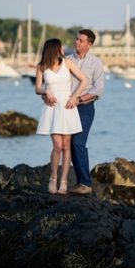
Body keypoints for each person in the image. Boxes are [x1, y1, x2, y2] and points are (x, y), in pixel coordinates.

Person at [40, 28, 105, 195]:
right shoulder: (65, 60)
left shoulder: (95, 63)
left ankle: (85, 183)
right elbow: (52, 84)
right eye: (76, 39)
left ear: (89, 44)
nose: (76, 42)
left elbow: (99, 90)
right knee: (63, 145)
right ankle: (72, 181)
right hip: (64, 108)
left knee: (77, 143)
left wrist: (79, 99)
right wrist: (46, 96)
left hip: (84, 107)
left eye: (80, 40)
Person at [35, 38, 89, 195]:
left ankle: (64, 181)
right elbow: (37, 88)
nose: (64, 50)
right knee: (57, 146)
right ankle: (53, 178)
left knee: (67, 146)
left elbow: (84, 80)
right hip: (52, 108)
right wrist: (46, 90)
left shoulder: (67, 63)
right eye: (61, 47)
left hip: (67, 106)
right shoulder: (41, 66)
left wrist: (75, 97)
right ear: (54, 49)